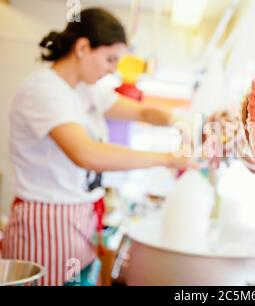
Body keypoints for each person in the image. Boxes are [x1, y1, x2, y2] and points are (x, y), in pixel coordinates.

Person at [2, 8, 193, 286]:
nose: (113, 69)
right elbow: (86, 153)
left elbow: (141, 113)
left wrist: (176, 119)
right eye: (110, 59)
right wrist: (166, 159)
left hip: (79, 219)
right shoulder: (43, 89)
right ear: (82, 48)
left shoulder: (85, 90)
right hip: (45, 224)